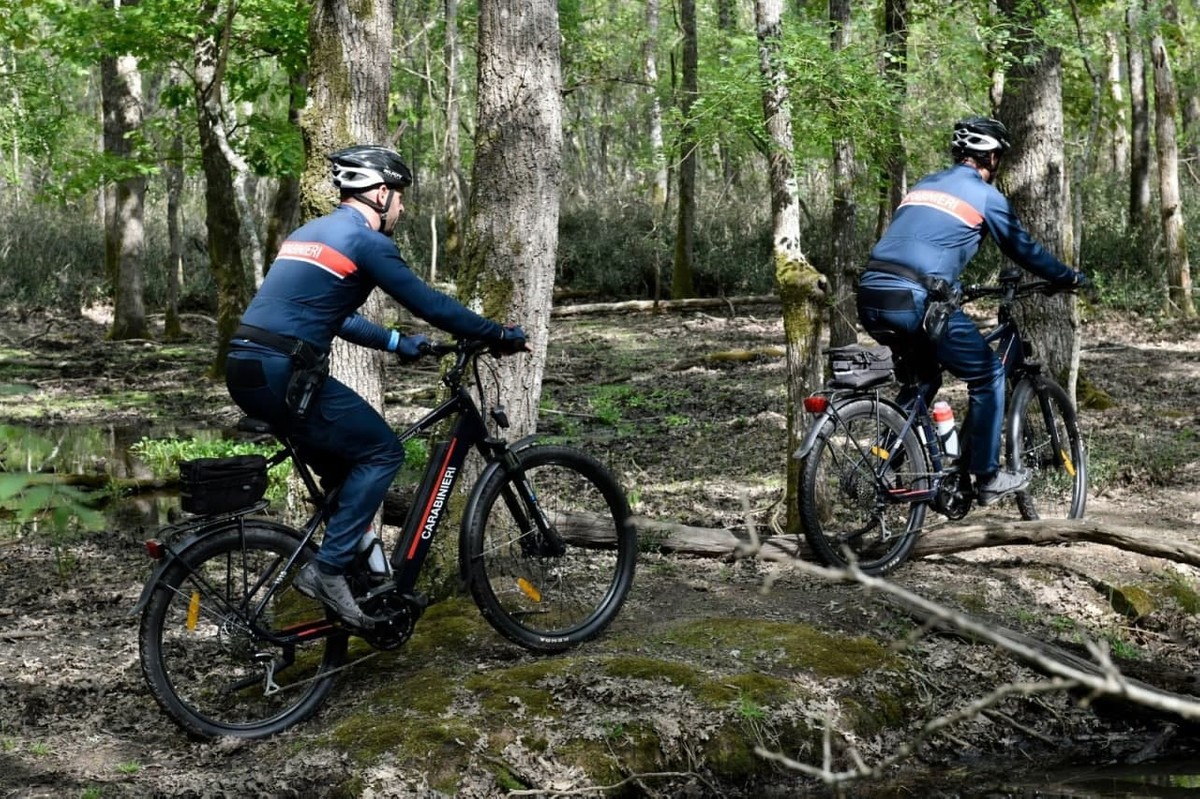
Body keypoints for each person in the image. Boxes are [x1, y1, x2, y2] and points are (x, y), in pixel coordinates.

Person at [225, 144, 526, 628]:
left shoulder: (310, 233)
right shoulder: (367, 241)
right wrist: (497, 334)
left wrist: (396, 342)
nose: (402, 208)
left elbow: (331, 314)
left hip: (246, 367)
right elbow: (429, 302)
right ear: (380, 193)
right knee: (382, 452)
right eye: (400, 197)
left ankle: (364, 578)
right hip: (283, 371)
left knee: (345, 470)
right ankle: (328, 569)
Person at [856, 116, 1088, 507]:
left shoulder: (924, 184)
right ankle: (986, 476)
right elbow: (1023, 249)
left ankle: (888, 456)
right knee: (988, 373)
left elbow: (921, 240)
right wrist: (1070, 278)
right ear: (992, 157)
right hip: (916, 301)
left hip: (871, 294)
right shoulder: (984, 196)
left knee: (924, 379)